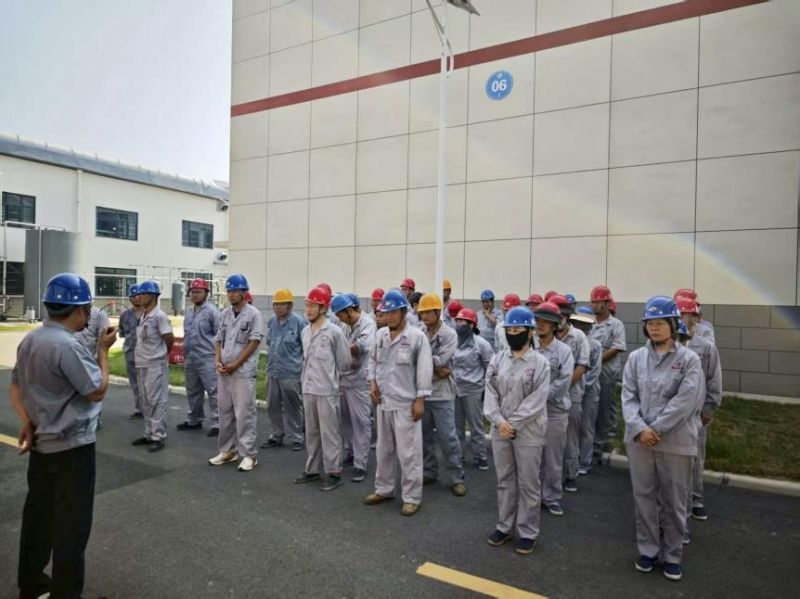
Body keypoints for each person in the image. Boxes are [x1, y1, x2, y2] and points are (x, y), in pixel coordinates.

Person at [11, 273, 116, 599]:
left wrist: (28, 421)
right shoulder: (68, 346)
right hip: (72, 449)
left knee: (38, 518)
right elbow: (96, 389)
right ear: (81, 310)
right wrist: (103, 351)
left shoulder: (31, 340)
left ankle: (31, 584)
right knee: (71, 526)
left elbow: (15, 387)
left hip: (42, 445)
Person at [623, 296, 704, 582]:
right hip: (639, 440)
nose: (654, 328)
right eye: (650, 323)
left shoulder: (689, 360)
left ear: (673, 324)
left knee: (674, 500)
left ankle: (672, 555)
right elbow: (628, 396)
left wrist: (655, 429)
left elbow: (685, 401)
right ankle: (648, 550)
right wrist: (640, 428)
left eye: (660, 323)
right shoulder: (636, 359)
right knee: (644, 497)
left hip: (675, 441)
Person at [484, 306, 550, 555]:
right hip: (500, 429)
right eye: (509, 330)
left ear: (530, 331)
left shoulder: (540, 363)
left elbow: (537, 399)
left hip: (528, 431)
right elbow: (490, 390)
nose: (513, 333)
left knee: (529, 483)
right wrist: (499, 421)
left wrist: (513, 423)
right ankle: (504, 526)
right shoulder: (498, 359)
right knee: (505, 480)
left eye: (518, 329)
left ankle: (528, 532)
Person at [363, 289, 432, 516]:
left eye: (393, 312)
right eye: (386, 313)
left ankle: (411, 497)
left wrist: (420, 400)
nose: (389, 316)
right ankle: (384, 489)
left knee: (409, 453)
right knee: (384, 450)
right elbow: (372, 361)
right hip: (383, 402)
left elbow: (424, 370)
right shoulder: (381, 335)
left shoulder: (416, 337)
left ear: (403, 312)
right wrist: (372, 382)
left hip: (406, 405)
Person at [294, 287, 352, 491]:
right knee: (311, 432)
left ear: (324, 308)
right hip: (308, 388)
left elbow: (345, 362)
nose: (308, 309)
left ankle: (334, 472)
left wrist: (332, 377)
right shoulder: (305, 332)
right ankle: (312, 469)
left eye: (313, 306)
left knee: (330, 433)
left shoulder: (334, 332)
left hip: (327, 390)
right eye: (307, 305)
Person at [209, 274, 264, 472]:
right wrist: (217, 360)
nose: (231, 294)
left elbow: (253, 342)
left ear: (244, 292)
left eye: (235, 291)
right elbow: (218, 339)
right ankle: (227, 450)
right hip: (225, 372)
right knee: (224, 412)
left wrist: (235, 364)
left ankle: (249, 454)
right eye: (229, 291)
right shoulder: (224, 314)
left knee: (244, 413)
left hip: (242, 372)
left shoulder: (253, 315)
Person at [676, 295, 722, 522]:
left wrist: (709, 407)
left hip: (696, 412)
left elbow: (714, 379)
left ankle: (696, 499)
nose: (680, 319)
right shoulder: (670, 344)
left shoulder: (705, 347)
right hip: (673, 412)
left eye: (685, 314)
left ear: (695, 318)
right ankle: (677, 501)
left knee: (695, 456)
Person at [418, 293, 467, 496]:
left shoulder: (449, 334)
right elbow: (416, 360)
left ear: (438, 312)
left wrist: (429, 363)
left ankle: (457, 477)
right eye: (422, 313)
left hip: (443, 393)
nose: (424, 316)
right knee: (424, 436)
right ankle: (429, 471)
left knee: (448, 437)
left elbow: (442, 359)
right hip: (423, 392)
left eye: (428, 312)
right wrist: (436, 367)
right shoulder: (419, 332)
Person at [532, 302, 574, 516]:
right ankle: (533, 496)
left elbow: (564, 382)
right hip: (532, 412)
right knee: (533, 455)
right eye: (538, 320)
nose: (540, 325)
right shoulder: (529, 346)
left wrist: (537, 397)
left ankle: (552, 497)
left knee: (553, 456)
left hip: (555, 411)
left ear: (555, 325)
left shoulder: (564, 351)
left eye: (546, 321)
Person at [332, 292, 376, 483]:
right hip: (344, 378)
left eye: (340, 314)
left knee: (361, 422)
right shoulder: (343, 325)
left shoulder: (367, 324)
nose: (339, 318)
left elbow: (361, 346)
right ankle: (350, 452)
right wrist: (344, 348)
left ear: (349, 310)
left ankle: (361, 463)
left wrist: (341, 348)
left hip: (360, 381)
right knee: (345, 421)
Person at [551, 295, 590, 494]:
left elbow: (582, 366)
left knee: (570, 437)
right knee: (551, 438)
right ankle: (552, 476)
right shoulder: (547, 336)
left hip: (572, 394)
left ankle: (570, 475)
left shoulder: (579, 337)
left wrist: (563, 386)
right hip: (549, 395)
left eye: (562, 316)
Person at [262, 288, 306, 451]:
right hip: (272, 370)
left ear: (290, 305)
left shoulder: (299, 322)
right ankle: (276, 435)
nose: (278, 308)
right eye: (276, 304)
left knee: (293, 406)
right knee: (272, 405)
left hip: (291, 372)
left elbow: (305, 347)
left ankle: (297, 437)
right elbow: (269, 343)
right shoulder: (272, 322)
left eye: (282, 304)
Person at [132, 280, 174, 452]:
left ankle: (158, 436)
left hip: (155, 364)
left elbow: (169, 338)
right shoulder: (144, 315)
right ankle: (149, 433)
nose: (139, 297)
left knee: (156, 400)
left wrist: (162, 355)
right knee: (145, 400)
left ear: (153, 296)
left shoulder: (159, 316)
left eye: (143, 294)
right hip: (142, 363)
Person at [177, 278, 220, 436]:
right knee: (193, 391)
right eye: (192, 292)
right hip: (190, 357)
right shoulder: (189, 311)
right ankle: (194, 419)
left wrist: (218, 357)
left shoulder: (212, 312)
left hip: (207, 357)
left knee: (214, 390)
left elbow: (220, 335)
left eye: (198, 292)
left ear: (206, 293)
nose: (195, 295)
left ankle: (218, 422)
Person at [452, 308, 492, 470]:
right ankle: (458, 455)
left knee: (476, 426)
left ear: (471, 325)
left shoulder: (481, 344)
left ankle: (481, 456)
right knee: (457, 426)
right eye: (457, 321)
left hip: (474, 391)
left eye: (462, 322)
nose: (458, 324)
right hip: (456, 390)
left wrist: (487, 392)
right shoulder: (453, 342)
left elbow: (489, 369)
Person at [590, 284, 626, 457]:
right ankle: (591, 439)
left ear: (607, 303)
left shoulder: (616, 325)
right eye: (593, 302)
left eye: (598, 302)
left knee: (605, 406)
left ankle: (603, 441)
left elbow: (618, 347)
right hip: (590, 372)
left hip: (606, 373)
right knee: (591, 406)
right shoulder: (589, 323)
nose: (595, 305)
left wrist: (597, 360)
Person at [569, 307, 603, 476]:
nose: (580, 326)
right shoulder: (571, 342)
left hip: (589, 390)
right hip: (573, 388)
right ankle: (573, 458)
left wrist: (583, 386)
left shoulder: (595, 344)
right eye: (577, 322)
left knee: (586, 426)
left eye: (584, 323)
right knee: (572, 426)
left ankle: (585, 461)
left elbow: (594, 371)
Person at [118, 283, 142, 418]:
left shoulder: (149, 314)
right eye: (133, 296)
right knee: (135, 383)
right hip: (130, 353)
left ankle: (150, 409)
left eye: (138, 295)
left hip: (146, 354)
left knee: (148, 383)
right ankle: (139, 409)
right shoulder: (125, 315)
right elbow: (122, 333)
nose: (136, 298)